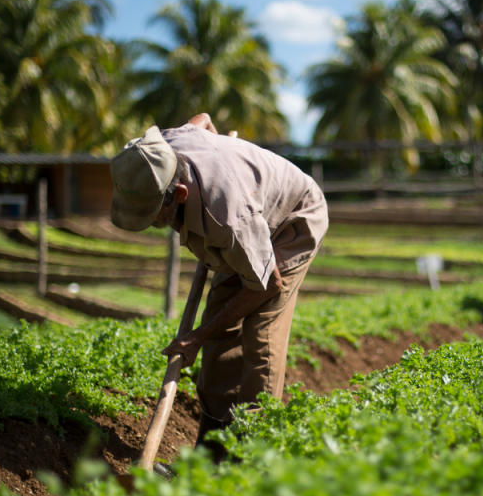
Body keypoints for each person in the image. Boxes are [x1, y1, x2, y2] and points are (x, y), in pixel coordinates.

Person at [109, 113, 329, 453]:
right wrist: (217, 143)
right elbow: (203, 120)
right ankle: (211, 451)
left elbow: (268, 284)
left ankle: (250, 454)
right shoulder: (157, 152)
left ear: (179, 193)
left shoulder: (228, 219)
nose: (153, 223)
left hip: (291, 220)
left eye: (154, 214)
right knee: (219, 329)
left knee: (261, 333)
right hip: (246, 224)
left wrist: (197, 335)